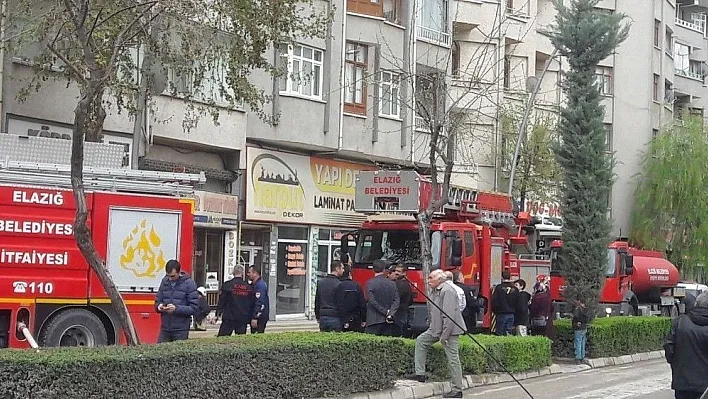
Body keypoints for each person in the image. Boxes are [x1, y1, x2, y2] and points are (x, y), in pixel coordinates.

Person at [407, 270, 465, 398]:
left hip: (449, 331)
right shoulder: (436, 290)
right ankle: (420, 374)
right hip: (436, 328)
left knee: (453, 359)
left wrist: (444, 336)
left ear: (440, 279)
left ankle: (457, 389)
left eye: (431, 278)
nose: (428, 280)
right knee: (421, 341)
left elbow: (449, 316)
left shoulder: (447, 291)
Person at [664, 292, 708, 399]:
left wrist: (677, 365)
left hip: (683, 383)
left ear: (696, 304)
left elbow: (669, 348)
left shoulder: (679, 323)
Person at [154, 259, 200, 343]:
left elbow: (194, 308)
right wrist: (159, 307)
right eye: (168, 276)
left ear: (179, 273)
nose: (170, 279)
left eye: (173, 276)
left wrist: (176, 309)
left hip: (181, 329)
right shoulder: (164, 282)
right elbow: (157, 301)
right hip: (165, 328)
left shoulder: (189, 284)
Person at [216, 265, 254, 336]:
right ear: (242, 273)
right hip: (242, 317)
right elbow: (251, 303)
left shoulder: (227, 285)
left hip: (229, 317)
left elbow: (222, 301)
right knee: (240, 340)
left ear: (233, 273)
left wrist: (217, 314)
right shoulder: (248, 287)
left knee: (222, 338)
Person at [365, 259, 400, 336]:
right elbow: (396, 300)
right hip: (388, 321)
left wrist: (384, 311)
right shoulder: (392, 284)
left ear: (373, 270)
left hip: (373, 321)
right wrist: (390, 313)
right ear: (384, 270)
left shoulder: (370, 283)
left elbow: (372, 301)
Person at [336, 266, 367, 333]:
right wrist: (364, 319)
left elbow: (338, 304)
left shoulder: (338, 285)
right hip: (355, 319)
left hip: (341, 319)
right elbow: (362, 304)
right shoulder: (357, 286)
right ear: (350, 274)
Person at [315, 261, 344, 332]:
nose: (343, 270)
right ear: (337, 269)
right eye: (342, 268)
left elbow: (317, 301)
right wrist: (344, 319)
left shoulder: (321, 282)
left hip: (323, 317)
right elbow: (341, 304)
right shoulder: (339, 284)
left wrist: (318, 316)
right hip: (335, 317)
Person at [491, 269, 519, 336]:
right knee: (508, 333)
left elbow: (494, 301)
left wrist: (495, 311)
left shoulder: (498, 288)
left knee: (499, 333)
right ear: (510, 277)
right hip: (511, 314)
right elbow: (518, 302)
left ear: (502, 277)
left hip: (501, 314)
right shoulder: (515, 289)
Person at [388, 263, 413, 337]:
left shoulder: (400, 284)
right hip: (403, 312)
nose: (396, 273)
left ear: (404, 273)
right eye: (395, 271)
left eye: (399, 271)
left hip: (399, 314)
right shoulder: (406, 284)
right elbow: (411, 301)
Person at [248, 266, 269, 333]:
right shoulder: (253, 285)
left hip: (260, 317)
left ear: (255, 273)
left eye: (249, 272)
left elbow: (259, 302)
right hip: (255, 315)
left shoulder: (260, 285)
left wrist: (255, 317)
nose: (247, 274)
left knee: (257, 334)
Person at [572, 298, 590, 364]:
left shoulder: (578, 309)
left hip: (578, 328)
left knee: (578, 342)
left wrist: (576, 322)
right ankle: (583, 356)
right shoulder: (586, 309)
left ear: (580, 301)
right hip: (584, 328)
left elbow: (576, 317)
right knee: (583, 342)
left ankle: (578, 358)